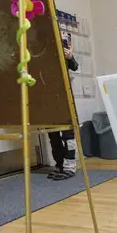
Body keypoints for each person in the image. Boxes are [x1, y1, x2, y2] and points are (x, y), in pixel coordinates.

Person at [47, 32, 79, 181]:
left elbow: (74, 66)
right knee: (53, 134)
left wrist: (70, 56)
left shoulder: (65, 57)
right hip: (48, 99)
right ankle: (59, 164)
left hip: (64, 98)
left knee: (67, 134)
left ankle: (70, 166)